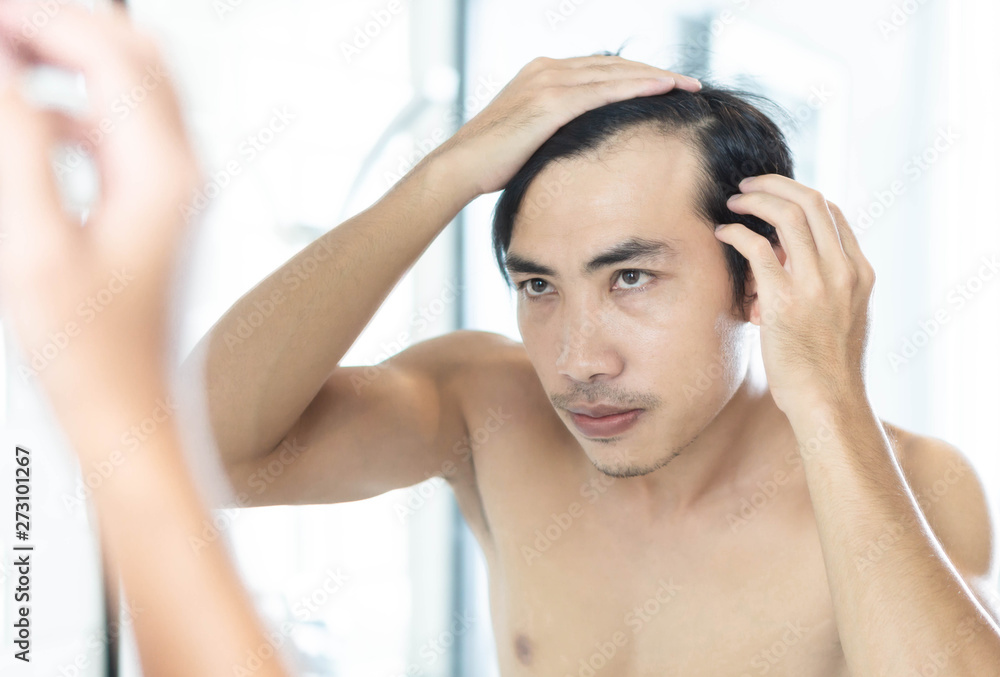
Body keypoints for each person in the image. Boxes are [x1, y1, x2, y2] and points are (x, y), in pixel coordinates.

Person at [1, 3, 997, 677]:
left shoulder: (908, 481)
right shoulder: (490, 408)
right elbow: (206, 451)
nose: (578, 359)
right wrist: (444, 174)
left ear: (754, 278)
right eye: (538, 285)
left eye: (631, 278)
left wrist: (827, 394)